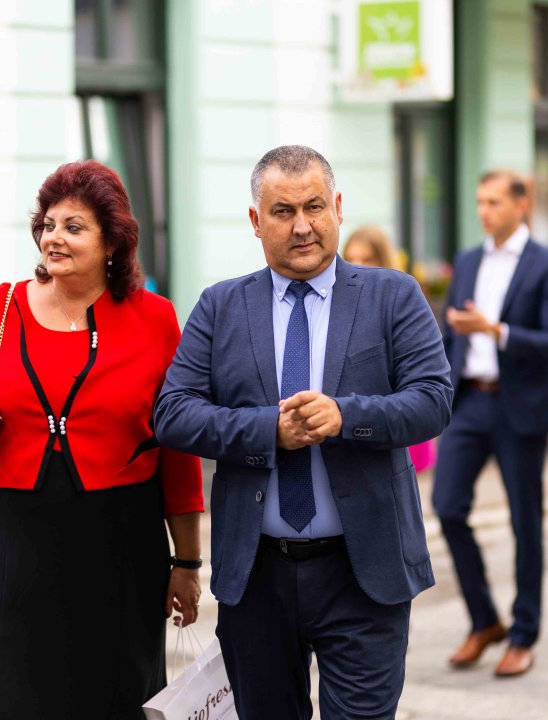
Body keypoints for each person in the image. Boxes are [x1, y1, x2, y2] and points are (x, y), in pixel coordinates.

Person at [154, 145, 453, 719]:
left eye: (314, 207)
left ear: (337, 207)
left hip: (363, 572)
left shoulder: (393, 296)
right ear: (255, 220)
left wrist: (345, 416)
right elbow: (173, 412)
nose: (302, 226)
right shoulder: (220, 307)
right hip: (257, 573)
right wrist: (268, 429)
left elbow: (433, 401)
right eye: (283, 211)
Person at [0, 160, 204, 719]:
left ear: (112, 242)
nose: (54, 237)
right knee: (19, 697)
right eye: (48, 224)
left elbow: (176, 448)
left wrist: (187, 561)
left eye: (74, 227)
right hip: (14, 544)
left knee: (120, 697)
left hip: (122, 544)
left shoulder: (154, 319)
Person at [433, 169, 548, 678]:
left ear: (522, 204)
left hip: (521, 406)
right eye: (479, 201)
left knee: (524, 522)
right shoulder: (469, 260)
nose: (483, 211)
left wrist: (495, 330)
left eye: (493, 202)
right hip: (470, 402)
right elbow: (452, 333)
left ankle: (522, 634)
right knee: (447, 507)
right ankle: (484, 621)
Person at [342, 225, 438, 473]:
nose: (357, 265)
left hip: (395, 416)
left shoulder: (400, 302)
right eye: (351, 258)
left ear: (382, 259)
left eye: (367, 258)